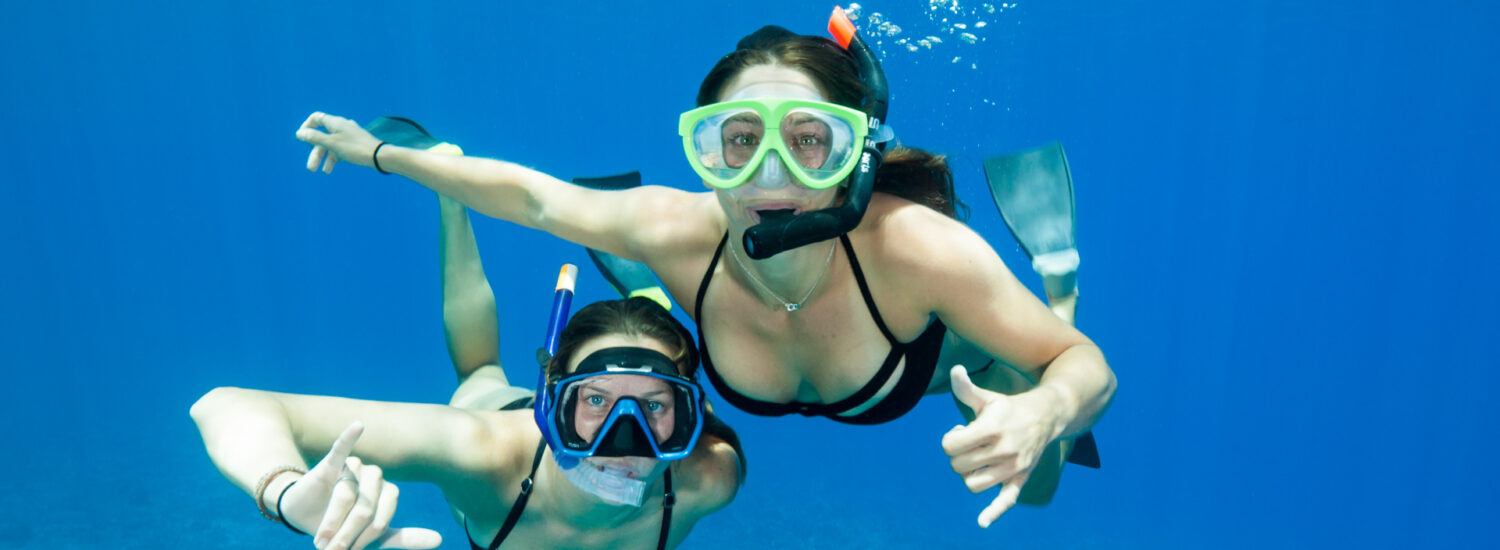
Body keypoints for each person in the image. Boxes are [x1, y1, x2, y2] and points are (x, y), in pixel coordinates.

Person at [292, 8, 1112, 528]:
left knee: (1037, 479)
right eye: (739, 141)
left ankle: (1057, 285)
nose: (770, 178)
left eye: (809, 140)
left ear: (853, 155)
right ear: (705, 153)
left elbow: (1088, 371)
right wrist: (385, 154)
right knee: (648, 258)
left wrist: (1042, 411)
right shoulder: (675, 223)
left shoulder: (916, 251)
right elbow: (534, 199)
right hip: (725, 298)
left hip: (935, 370)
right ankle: (651, 291)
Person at [190, 188, 744, 550]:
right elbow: (224, 404)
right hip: (493, 412)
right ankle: (450, 200)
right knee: (478, 373)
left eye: (654, 406)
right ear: (552, 401)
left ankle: (644, 308)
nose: (627, 440)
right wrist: (285, 493)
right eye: (596, 400)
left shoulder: (709, 479)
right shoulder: (482, 457)